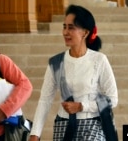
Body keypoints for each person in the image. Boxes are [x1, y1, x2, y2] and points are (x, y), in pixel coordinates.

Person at [29, 4, 118, 141]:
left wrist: (82, 106)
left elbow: (112, 98)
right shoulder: (56, 63)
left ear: (85, 32)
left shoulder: (99, 60)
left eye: (71, 28)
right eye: (64, 27)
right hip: (63, 126)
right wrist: (35, 134)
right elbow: (45, 100)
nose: (65, 32)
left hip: (93, 125)